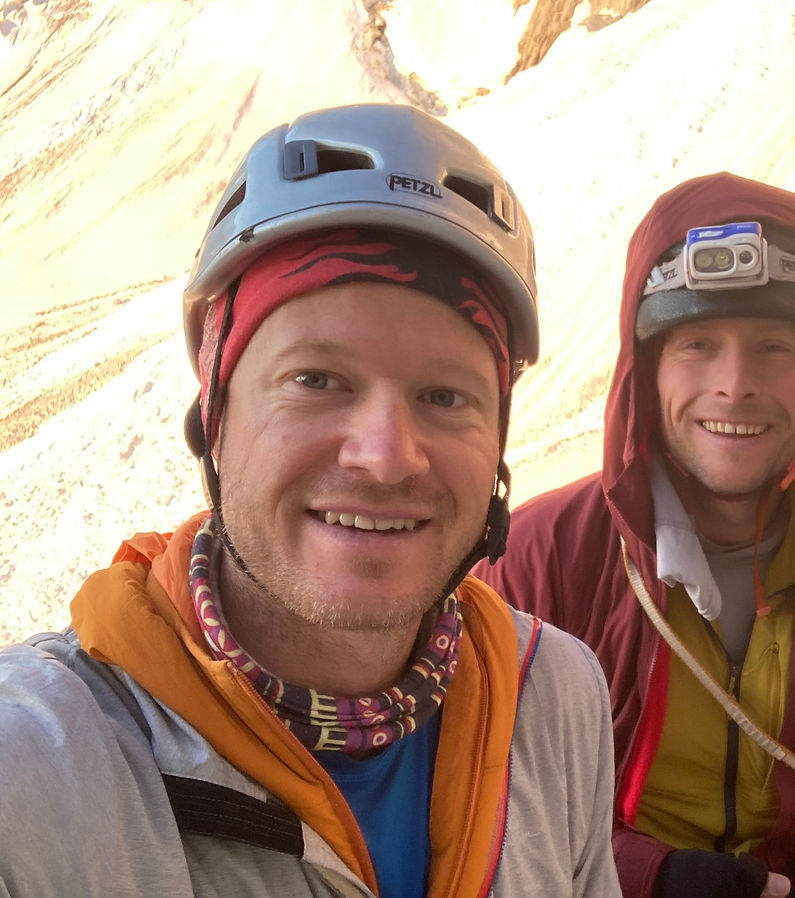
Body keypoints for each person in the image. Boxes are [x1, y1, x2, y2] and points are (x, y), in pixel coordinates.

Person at [0, 104, 620, 897]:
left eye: (445, 395)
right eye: (316, 379)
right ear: (216, 412)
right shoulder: (39, 772)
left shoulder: (554, 699)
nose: (386, 456)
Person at [473, 172, 795, 898]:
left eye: (774, 347)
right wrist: (651, 878)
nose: (735, 385)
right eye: (698, 344)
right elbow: (476, 765)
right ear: (646, 375)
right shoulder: (543, 554)